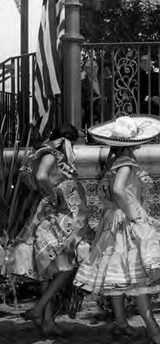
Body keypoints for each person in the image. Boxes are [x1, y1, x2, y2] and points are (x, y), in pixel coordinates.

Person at [73, 115, 160, 344]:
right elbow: (118, 190)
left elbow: (114, 191)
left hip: (112, 222)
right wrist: (133, 214)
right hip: (126, 223)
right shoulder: (125, 163)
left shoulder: (113, 163)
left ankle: (121, 324)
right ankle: (154, 332)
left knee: (117, 277)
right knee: (138, 279)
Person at [6, 124, 93, 338]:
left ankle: (47, 322)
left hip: (55, 217)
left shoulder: (53, 154)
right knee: (68, 264)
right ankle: (39, 309)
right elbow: (42, 177)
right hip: (56, 219)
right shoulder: (52, 153)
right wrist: (54, 196)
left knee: (50, 269)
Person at [138, 54, 160, 128]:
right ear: (139, 63)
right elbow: (137, 93)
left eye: (148, 61)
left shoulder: (157, 75)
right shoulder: (136, 77)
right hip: (144, 103)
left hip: (159, 102)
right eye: (144, 61)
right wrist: (150, 98)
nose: (147, 63)